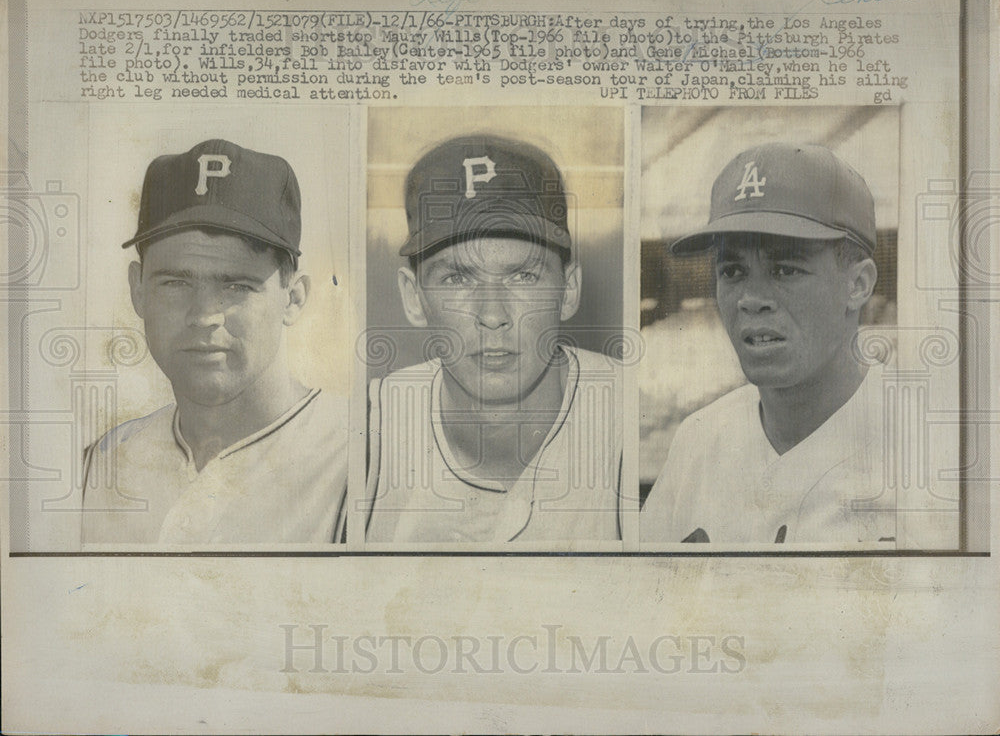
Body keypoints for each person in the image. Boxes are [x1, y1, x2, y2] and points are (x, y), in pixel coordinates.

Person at [81, 139, 348, 545]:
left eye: (238, 286)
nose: (204, 316)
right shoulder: (97, 468)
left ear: (292, 299)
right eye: (176, 283)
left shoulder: (363, 462)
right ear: (138, 291)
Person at [365, 135, 623, 544]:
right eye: (457, 278)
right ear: (413, 298)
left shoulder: (632, 421)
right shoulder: (365, 434)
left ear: (569, 289)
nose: (492, 315)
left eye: (523, 276)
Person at [641, 142, 896, 545]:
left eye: (785, 268)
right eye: (733, 270)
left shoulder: (934, 454)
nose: (750, 298)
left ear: (858, 284)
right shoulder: (699, 439)